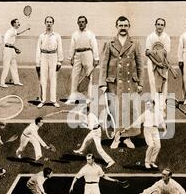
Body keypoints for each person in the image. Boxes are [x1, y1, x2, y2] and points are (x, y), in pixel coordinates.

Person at [99, 16, 143, 149]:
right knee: (115, 110)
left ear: (128, 27)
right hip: (114, 83)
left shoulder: (134, 43)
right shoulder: (110, 43)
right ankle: (117, 137)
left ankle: (127, 137)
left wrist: (140, 83)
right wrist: (103, 83)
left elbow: (140, 64)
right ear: (116, 26)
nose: (123, 28)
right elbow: (104, 64)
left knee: (130, 110)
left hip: (131, 83)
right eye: (120, 25)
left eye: (125, 25)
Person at [121, 100, 167, 169]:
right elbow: (137, 122)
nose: (148, 106)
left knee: (158, 146)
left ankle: (152, 162)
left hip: (155, 130)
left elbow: (162, 121)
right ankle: (146, 162)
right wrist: (129, 127)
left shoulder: (158, 113)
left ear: (153, 104)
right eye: (147, 105)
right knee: (151, 145)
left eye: (149, 104)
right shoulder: (145, 113)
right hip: (147, 130)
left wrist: (165, 129)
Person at [66, 16, 99, 104]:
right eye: (79, 22)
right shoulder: (75, 34)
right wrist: (71, 57)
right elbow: (72, 47)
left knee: (89, 76)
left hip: (88, 54)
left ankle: (89, 98)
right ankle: (72, 98)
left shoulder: (90, 34)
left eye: (83, 22)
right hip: (77, 55)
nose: (81, 23)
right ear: (77, 23)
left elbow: (94, 46)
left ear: (86, 23)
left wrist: (96, 58)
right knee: (74, 76)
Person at [35, 16, 64, 108]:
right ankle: (42, 100)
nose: (49, 23)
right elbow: (38, 50)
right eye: (47, 22)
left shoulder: (57, 36)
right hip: (43, 57)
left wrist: (59, 61)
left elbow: (60, 49)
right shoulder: (41, 36)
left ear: (53, 23)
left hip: (53, 57)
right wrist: (37, 63)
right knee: (43, 79)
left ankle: (53, 100)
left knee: (53, 79)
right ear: (45, 23)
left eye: (50, 22)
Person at [145, 18, 172, 111]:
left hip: (163, 63)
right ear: (155, 25)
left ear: (164, 26)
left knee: (163, 84)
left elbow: (165, 52)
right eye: (158, 24)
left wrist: (160, 61)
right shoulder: (150, 37)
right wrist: (156, 62)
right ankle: (154, 106)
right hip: (151, 63)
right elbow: (148, 52)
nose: (160, 26)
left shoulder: (166, 37)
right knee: (153, 83)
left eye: (162, 25)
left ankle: (162, 107)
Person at [0, 18, 30, 88]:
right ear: (13, 24)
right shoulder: (10, 31)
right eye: (17, 22)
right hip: (7, 50)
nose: (19, 23)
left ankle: (16, 81)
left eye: (18, 22)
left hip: (11, 50)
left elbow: (17, 33)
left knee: (14, 66)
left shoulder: (14, 31)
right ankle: (2, 82)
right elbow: (6, 42)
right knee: (6, 67)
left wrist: (26, 30)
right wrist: (16, 48)